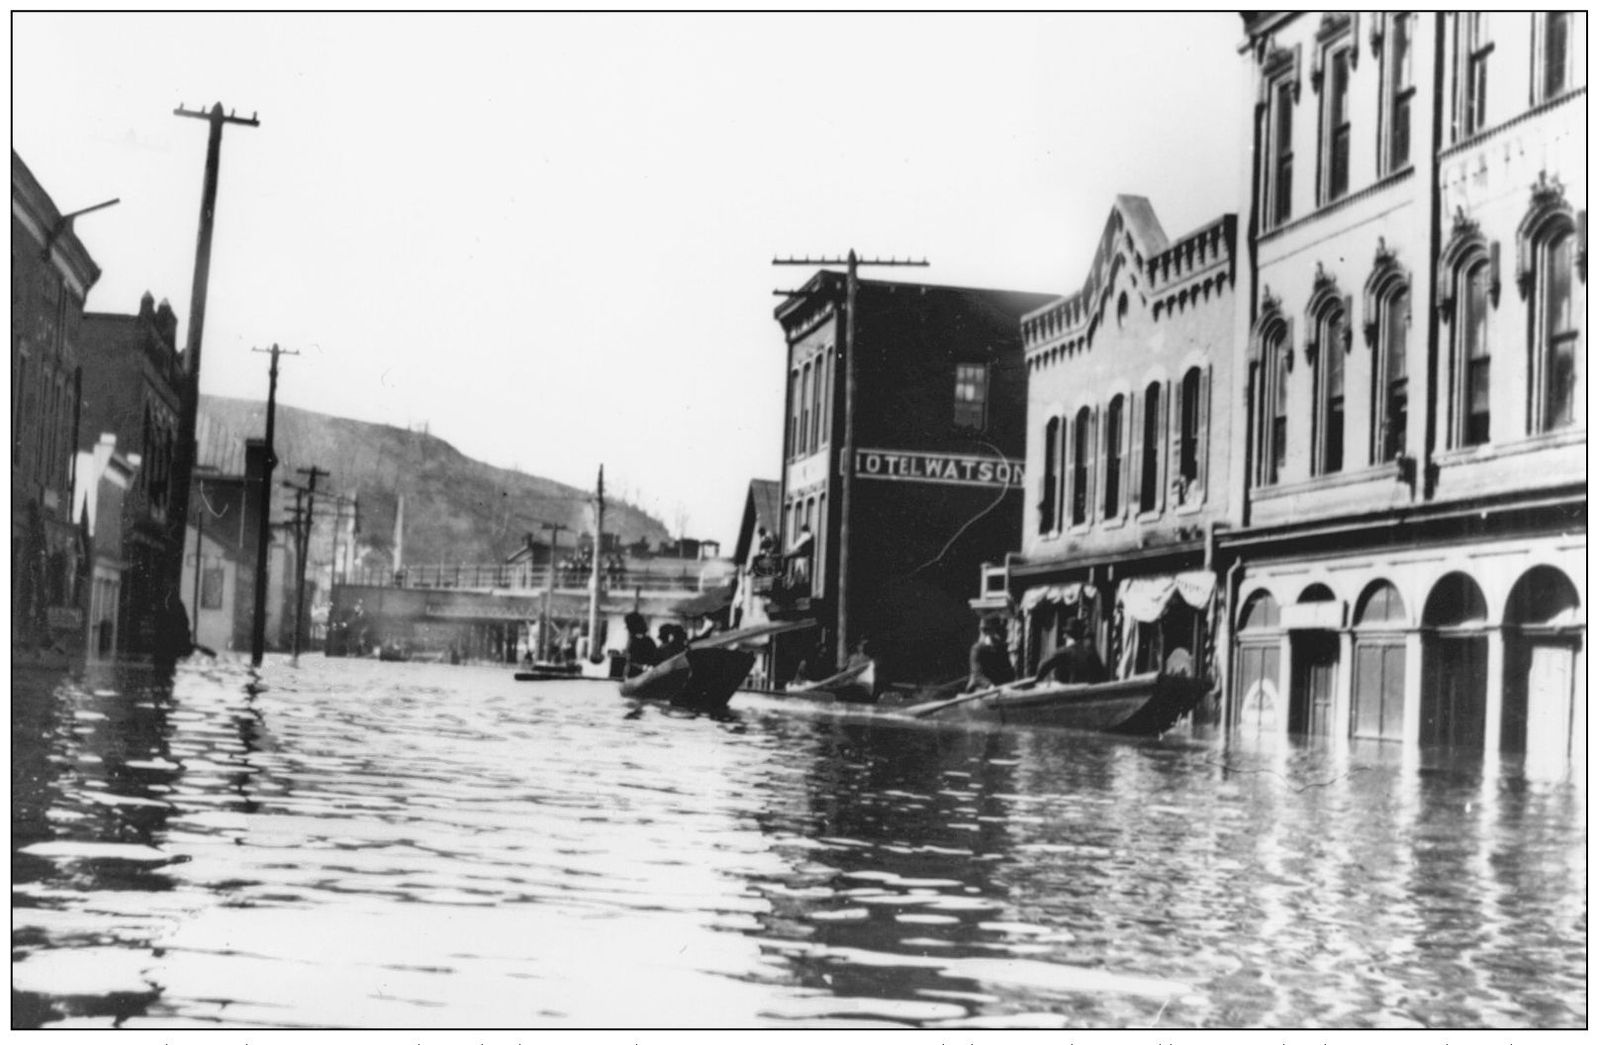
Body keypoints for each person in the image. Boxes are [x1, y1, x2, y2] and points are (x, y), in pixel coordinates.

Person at [1034, 617, 1107, 685]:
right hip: (1093, 694)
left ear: (1067, 636)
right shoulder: (1092, 652)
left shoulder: (1066, 652)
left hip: (1074, 694)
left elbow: (1044, 664)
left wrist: (1037, 680)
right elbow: (1103, 675)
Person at [968, 617, 1016, 691]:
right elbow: (977, 675)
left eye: (992, 630)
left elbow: (1008, 670)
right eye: (986, 630)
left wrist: (1011, 684)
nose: (989, 634)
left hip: (999, 687)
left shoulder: (1001, 647)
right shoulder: (977, 649)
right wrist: (990, 686)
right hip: (981, 687)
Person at [622, 611, 659, 678]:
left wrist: (643, 667)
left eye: (628, 625)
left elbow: (653, 661)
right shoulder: (635, 640)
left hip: (641, 676)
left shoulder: (646, 641)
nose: (627, 628)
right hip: (636, 675)